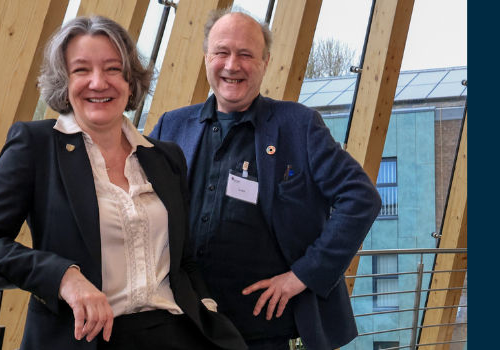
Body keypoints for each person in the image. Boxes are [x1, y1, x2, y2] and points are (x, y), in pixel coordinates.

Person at [0, 16, 246, 350]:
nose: (98, 83)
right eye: (81, 70)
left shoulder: (166, 158)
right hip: (84, 337)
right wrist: (65, 276)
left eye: (112, 69)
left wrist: (207, 307)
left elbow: (184, 261)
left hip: (178, 334)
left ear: (131, 82)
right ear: (64, 82)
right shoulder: (35, 146)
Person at [148, 8, 382, 350]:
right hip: (182, 321)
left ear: (265, 62)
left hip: (263, 329)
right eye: (222, 52)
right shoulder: (171, 126)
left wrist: (304, 274)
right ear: (206, 58)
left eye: (246, 54)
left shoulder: (298, 126)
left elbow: (361, 198)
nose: (232, 65)